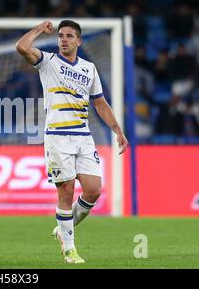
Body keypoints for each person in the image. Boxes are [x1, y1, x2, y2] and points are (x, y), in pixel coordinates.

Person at [15, 20, 128, 263]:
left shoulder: (89, 68)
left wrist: (117, 129)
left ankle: (63, 230)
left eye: (69, 36)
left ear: (79, 41)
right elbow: (22, 47)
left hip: (83, 137)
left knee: (94, 190)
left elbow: (99, 103)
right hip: (57, 137)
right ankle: (69, 249)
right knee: (65, 192)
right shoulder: (48, 62)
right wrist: (37, 30)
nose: (63, 39)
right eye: (61, 35)